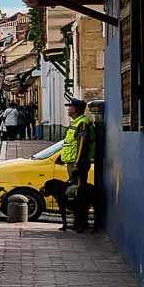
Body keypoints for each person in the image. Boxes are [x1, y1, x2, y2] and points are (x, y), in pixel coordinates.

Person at [61, 99, 96, 232]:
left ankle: (81, 223)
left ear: (75, 109)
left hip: (78, 163)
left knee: (79, 194)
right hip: (72, 162)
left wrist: (77, 162)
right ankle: (79, 222)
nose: (68, 109)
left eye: (70, 107)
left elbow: (82, 143)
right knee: (75, 193)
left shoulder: (83, 123)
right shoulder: (76, 123)